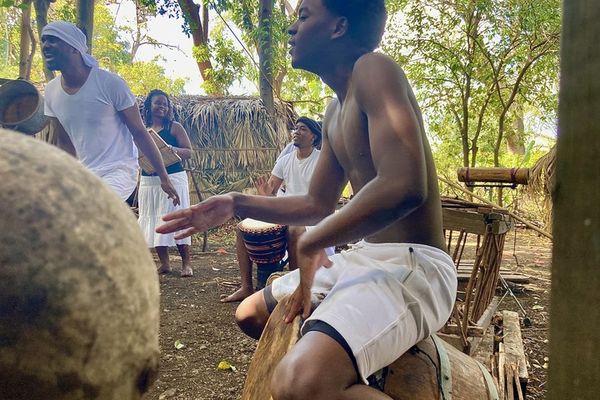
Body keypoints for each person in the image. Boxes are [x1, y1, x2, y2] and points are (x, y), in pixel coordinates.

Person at [157, 1, 457, 399]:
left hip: (413, 264)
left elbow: (405, 185)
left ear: (339, 26)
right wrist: (236, 202)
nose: (290, 30)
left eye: (303, 16)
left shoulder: (374, 69)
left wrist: (313, 241)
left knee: (297, 383)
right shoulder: (334, 110)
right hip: (366, 257)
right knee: (250, 315)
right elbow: (316, 203)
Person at [41, 21, 180, 205]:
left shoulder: (110, 84)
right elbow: (64, 142)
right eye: (43, 41)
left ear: (74, 48)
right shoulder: (51, 92)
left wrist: (163, 176)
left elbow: (139, 132)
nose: (45, 46)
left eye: (53, 40)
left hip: (119, 170)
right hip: (84, 173)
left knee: (94, 208)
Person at [221, 117, 327, 303]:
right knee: (242, 228)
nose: (296, 132)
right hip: (286, 211)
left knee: (295, 230)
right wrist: (265, 195)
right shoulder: (285, 161)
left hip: (311, 215)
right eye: (295, 128)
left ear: (314, 137)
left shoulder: (321, 160)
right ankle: (246, 287)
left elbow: (322, 199)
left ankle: (295, 286)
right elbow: (271, 192)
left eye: (303, 129)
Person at [138, 89, 193, 277]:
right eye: (158, 103)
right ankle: (165, 263)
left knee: (178, 218)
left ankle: (186, 264)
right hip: (148, 180)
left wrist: (172, 149)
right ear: (149, 106)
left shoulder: (174, 127)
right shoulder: (142, 130)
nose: (162, 107)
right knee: (154, 218)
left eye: (165, 104)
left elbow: (188, 151)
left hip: (174, 178)